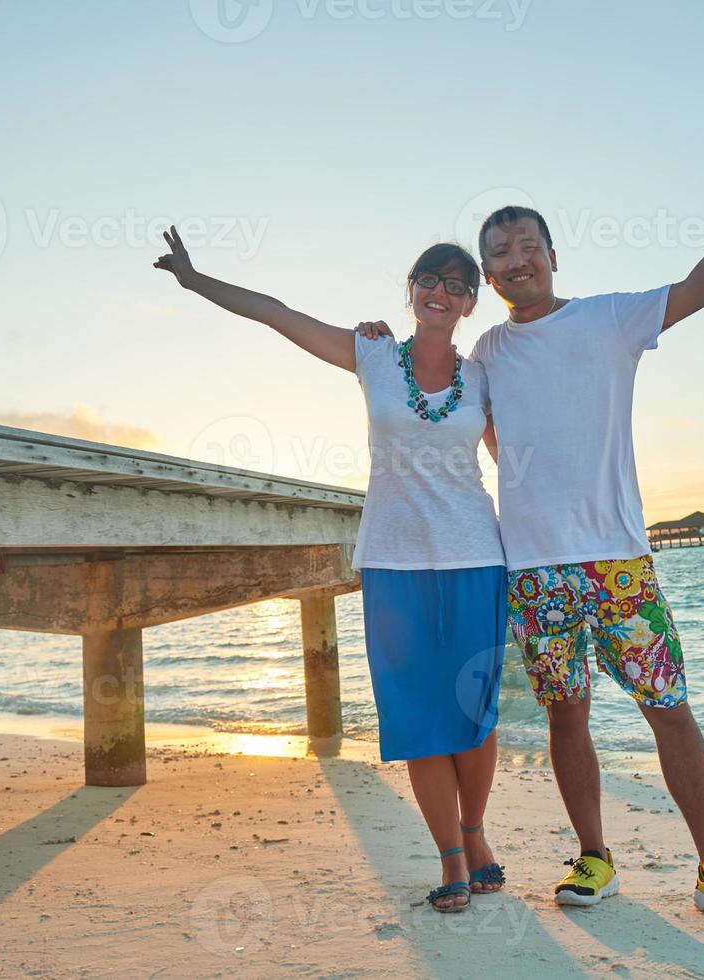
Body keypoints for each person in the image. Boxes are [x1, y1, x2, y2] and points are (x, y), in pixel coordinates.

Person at [361, 128, 704, 925]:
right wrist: (384, 334)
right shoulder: (485, 348)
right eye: (500, 253)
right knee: (566, 714)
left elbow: (701, 289)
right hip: (532, 569)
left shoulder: (611, 320)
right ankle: (593, 855)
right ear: (486, 276)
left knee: (668, 709)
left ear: (551, 255)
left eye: (527, 246)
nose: (516, 259)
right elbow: (449, 400)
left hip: (618, 558)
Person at [154, 229, 507, 913]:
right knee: (418, 716)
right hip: (393, 563)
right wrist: (195, 281)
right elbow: (277, 313)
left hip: (475, 559)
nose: (441, 292)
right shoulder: (372, 353)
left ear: (470, 303)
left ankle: (476, 831)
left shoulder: (483, 374)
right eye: (429, 279)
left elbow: (510, 460)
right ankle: (451, 859)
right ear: (411, 292)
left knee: (475, 712)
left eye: (458, 285)